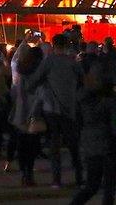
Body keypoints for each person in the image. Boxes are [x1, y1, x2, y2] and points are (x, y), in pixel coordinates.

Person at [26, 33, 84, 188]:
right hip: (70, 107)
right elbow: (82, 82)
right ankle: (79, 177)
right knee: (73, 143)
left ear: (53, 45)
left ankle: (57, 179)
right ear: (67, 45)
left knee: (54, 144)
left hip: (51, 107)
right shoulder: (73, 63)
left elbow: (34, 81)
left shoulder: (48, 62)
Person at [71, 57, 116, 204]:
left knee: (92, 185)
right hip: (108, 142)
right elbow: (115, 124)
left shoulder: (81, 95)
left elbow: (77, 119)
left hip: (89, 142)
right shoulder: (110, 98)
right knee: (109, 187)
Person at [9, 35, 45, 186]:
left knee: (22, 144)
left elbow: (15, 93)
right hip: (34, 112)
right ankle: (29, 173)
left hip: (20, 112)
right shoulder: (41, 75)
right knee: (32, 145)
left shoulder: (21, 72)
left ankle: (24, 172)